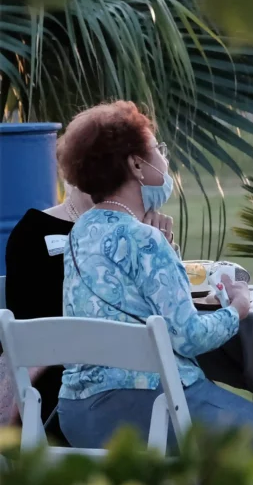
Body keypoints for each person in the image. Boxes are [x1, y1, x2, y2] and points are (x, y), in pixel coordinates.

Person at [54, 101, 253, 467]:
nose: (164, 160)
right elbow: (189, 335)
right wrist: (236, 308)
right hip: (150, 408)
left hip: (79, 411)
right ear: (135, 164)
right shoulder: (144, 239)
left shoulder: (79, 233)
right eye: (158, 150)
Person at [1, 178, 174, 430]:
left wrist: (160, 251)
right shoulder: (34, 232)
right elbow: (32, 337)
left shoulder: (140, 228)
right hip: (69, 391)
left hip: (140, 379)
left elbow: (166, 316)